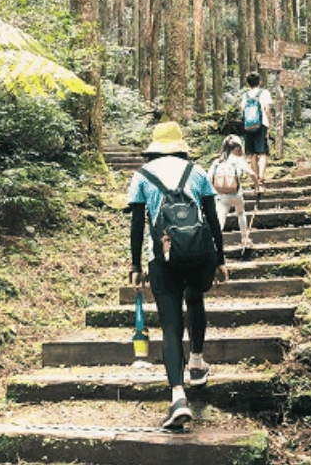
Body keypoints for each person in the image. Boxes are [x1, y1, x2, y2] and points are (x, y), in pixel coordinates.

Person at [126, 121, 228, 430]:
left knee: (170, 325)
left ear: (154, 148)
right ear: (180, 146)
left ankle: (178, 398)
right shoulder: (196, 172)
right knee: (195, 301)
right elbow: (212, 219)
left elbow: (136, 226)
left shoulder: (141, 176)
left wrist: (135, 267)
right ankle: (196, 361)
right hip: (199, 254)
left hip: (161, 257)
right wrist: (220, 260)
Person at [208, 134, 252, 249]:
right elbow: (251, 173)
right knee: (241, 213)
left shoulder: (217, 161)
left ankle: (214, 243)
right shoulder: (238, 160)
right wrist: (258, 185)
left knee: (220, 218)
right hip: (236, 194)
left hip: (221, 195)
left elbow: (209, 178)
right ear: (237, 148)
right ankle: (244, 238)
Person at [241, 72, 272, 196]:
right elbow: (267, 109)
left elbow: (242, 110)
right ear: (259, 81)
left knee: (252, 154)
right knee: (262, 153)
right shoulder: (264, 93)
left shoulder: (245, 95)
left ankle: (255, 184)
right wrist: (269, 125)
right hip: (261, 124)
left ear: (248, 83)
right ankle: (261, 179)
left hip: (248, 126)